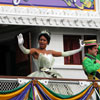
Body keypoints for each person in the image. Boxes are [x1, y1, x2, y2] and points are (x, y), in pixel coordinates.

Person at [17, 31, 84, 78]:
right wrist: (21, 45)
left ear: (47, 42)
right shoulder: (35, 51)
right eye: (40, 40)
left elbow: (65, 53)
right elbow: (25, 51)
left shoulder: (51, 52)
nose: (42, 41)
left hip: (51, 74)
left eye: (44, 40)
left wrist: (79, 49)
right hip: (40, 75)